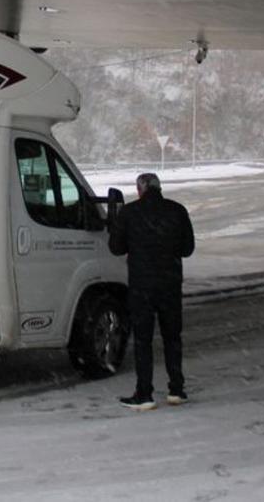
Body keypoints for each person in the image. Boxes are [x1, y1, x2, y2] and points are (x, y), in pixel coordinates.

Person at [109, 172, 195, 411]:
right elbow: (188, 249)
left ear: (140, 189)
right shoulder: (177, 210)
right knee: (172, 337)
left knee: (143, 340)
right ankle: (176, 389)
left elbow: (116, 248)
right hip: (170, 283)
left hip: (141, 286)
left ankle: (144, 393)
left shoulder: (129, 212)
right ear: (159, 188)